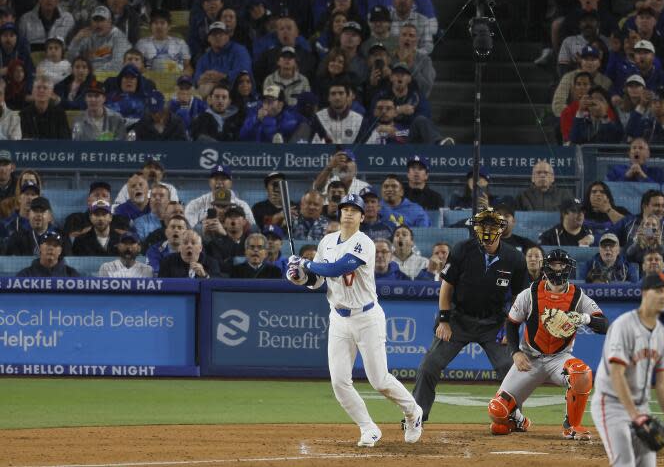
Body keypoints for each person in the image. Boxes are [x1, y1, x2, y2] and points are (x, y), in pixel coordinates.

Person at [286, 194, 423, 446]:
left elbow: (337, 269)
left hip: (366, 316)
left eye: (354, 210)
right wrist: (299, 276)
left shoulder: (364, 243)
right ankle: (368, 427)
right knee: (339, 382)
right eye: (345, 209)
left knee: (379, 380)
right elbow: (317, 280)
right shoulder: (327, 241)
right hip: (338, 317)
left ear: (362, 216)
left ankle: (413, 412)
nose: (348, 213)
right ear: (339, 214)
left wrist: (303, 262)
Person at [413, 207, 528, 422]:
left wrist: (511, 328)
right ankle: (417, 416)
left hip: (494, 322)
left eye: (492, 225)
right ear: (476, 227)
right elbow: (446, 286)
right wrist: (444, 320)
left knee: (509, 369)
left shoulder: (515, 258)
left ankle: (513, 417)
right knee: (429, 366)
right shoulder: (462, 249)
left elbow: (519, 299)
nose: (487, 230)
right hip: (458, 320)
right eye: (483, 225)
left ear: (501, 229)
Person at [487, 249, 609, 439]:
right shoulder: (529, 294)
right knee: (497, 415)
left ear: (568, 268)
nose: (558, 269)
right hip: (529, 358)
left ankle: (572, 426)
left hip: (559, 359)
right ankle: (519, 420)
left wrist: (584, 318)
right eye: (554, 264)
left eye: (562, 264)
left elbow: (604, 325)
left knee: (582, 374)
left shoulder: (579, 296)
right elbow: (511, 324)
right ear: (546, 267)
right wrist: (515, 353)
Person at [591, 272, 664, 467]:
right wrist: (633, 415)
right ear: (645, 293)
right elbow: (616, 374)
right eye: (659, 291)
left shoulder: (663, 336)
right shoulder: (624, 326)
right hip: (611, 405)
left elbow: (663, 382)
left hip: (641, 408)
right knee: (625, 463)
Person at [184, 164, 256, 228]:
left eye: (223, 179)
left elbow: (252, 229)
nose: (219, 182)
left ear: (230, 183)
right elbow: (187, 229)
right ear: (209, 182)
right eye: (215, 179)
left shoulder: (242, 205)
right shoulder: (195, 204)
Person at [66, 6, 130, 72]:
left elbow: (118, 65)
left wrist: (91, 72)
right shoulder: (87, 35)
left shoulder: (119, 37)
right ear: (91, 22)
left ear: (109, 22)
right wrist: (76, 41)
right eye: (95, 20)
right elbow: (70, 60)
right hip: (86, 75)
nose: (98, 24)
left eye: (102, 20)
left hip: (109, 77)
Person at [193, 21, 252, 89]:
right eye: (214, 34)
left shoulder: (239, 50)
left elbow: (244, 70)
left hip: (236, 89)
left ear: (227, 37)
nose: (217, 37)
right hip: (211, 92)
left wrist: (223, 76)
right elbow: (196, 78)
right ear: (208, 39)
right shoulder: (203, 58)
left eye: (221, 34)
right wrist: (202, 78)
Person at [312, 79, 364, 144]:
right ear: (328, 97)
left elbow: (362, 149)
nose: (337, 97)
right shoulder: (318, 118)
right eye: (333, 94)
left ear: (347, 96)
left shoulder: (359, 120)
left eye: (341, 93)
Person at [20, 75, 71, 139]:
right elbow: (24, 139)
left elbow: (65, 139)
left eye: (45, 88)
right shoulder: (24, 113)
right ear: (32, 92)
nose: (41, 90)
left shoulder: (60, 113)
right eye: (38, 87)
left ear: (51, 93)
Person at [158, 230, 222, 278]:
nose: (189, 246)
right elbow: (162, 285)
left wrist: (205, 275)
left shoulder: (212, 263)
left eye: (193, 243)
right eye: (185, 243)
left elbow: (218, 286)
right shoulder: (167, 262)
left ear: (200, 248)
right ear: (179, 247)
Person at [16, 231, 81, 277]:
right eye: (48, 244)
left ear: (60, 251)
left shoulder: (72, 275)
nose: (51, 248)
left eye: (55, 245)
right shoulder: (25, 275)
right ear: (40, 248)